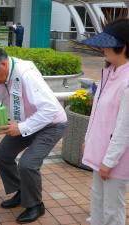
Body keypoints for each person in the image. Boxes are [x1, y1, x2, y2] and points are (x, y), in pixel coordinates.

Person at [0, 48, 68, 223]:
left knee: (27, 164)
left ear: (3, 64)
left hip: (50, 124)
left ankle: (35, 205)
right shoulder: (3, 73)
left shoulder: (26, 75)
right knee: (0, 155)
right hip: (24, 122)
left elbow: (50, 110)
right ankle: (22, 191)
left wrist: (22, 127)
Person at [82, 19, 129, 225]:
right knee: (97, 201)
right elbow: (97, 113)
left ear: (124, 47)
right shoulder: (109, 73)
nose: (103, 48)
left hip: (115, 158)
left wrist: (109, 161)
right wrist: (87, 139)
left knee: (112, 208)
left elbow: (125, 128)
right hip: (101, 151)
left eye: (108, 43)